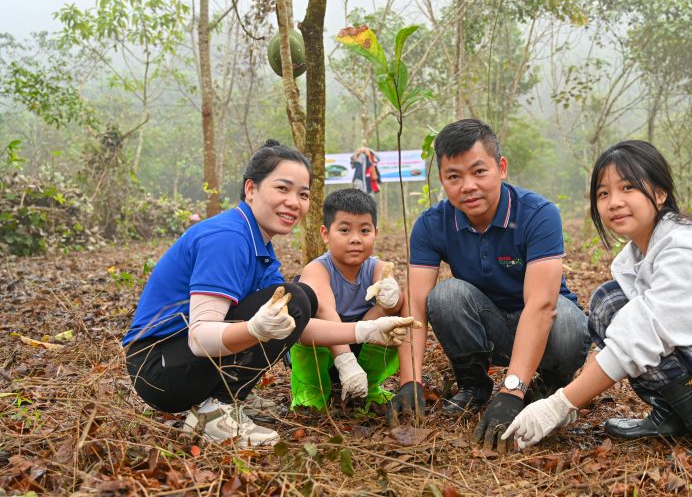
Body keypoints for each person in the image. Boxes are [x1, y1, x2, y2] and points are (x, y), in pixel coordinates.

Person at [502, 140, 692, 465]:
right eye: (603, 193)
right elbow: (624, 335)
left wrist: (561, 404)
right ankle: (673, 415)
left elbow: (638, 338)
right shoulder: (637, 255)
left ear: (660, 193)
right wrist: (570, 395)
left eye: (628, 187)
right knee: (610, 303)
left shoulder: (683, 249)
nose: (614, 202)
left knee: (639, 329)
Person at [123, 140, 415, 446]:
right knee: (296, 297)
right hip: (160, 369)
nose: (294, 202)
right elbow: (199, 337)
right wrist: (253, 329)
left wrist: (367, 330)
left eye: (303, 194)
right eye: (282, 188)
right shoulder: (227, 237)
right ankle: (215, 412)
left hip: (179, 363)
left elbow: (298, 326)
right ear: (251, 189)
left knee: (295, 300)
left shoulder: (258, 245)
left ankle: (226, 398)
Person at [388, 118, 590, 452]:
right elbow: (416, 305)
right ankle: (474, 385)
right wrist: (411, 380)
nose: (468, 186)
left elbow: (542, 305)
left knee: (570, 322)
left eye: (479, 172)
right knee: (446, 295)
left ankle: (547, 387)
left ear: (501, 168)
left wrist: (511, 392)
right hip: (489, 324)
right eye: (454, 176)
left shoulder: (538, 214)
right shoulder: (432, 224)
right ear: (442, 180)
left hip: (544, 327)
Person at [290, 188, 405, 412]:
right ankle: (310, 393)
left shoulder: (377, 268)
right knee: (305, 323)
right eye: (344, 230)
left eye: (364, 230)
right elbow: (326, 313)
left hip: (362, 349)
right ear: (325, 234)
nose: (355, 239)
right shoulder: (317, 269)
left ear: (375, 233)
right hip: (324, 350)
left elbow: (397, 305)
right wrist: (346, 363)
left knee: (394, 320)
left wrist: (392, 297)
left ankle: (370, 386)